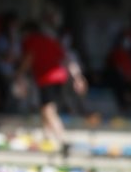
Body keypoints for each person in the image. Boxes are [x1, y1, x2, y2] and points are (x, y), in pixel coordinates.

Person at [15, 17, 87, 156]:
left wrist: (19, 74)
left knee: (49, 110)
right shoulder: (50, 41)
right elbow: (66, 59)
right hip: (59, 77)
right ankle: (47, 139)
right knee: (44, 109)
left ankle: (63, 140)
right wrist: (77, 77)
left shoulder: (30, 41)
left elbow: (29, 58)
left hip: (47, 79)